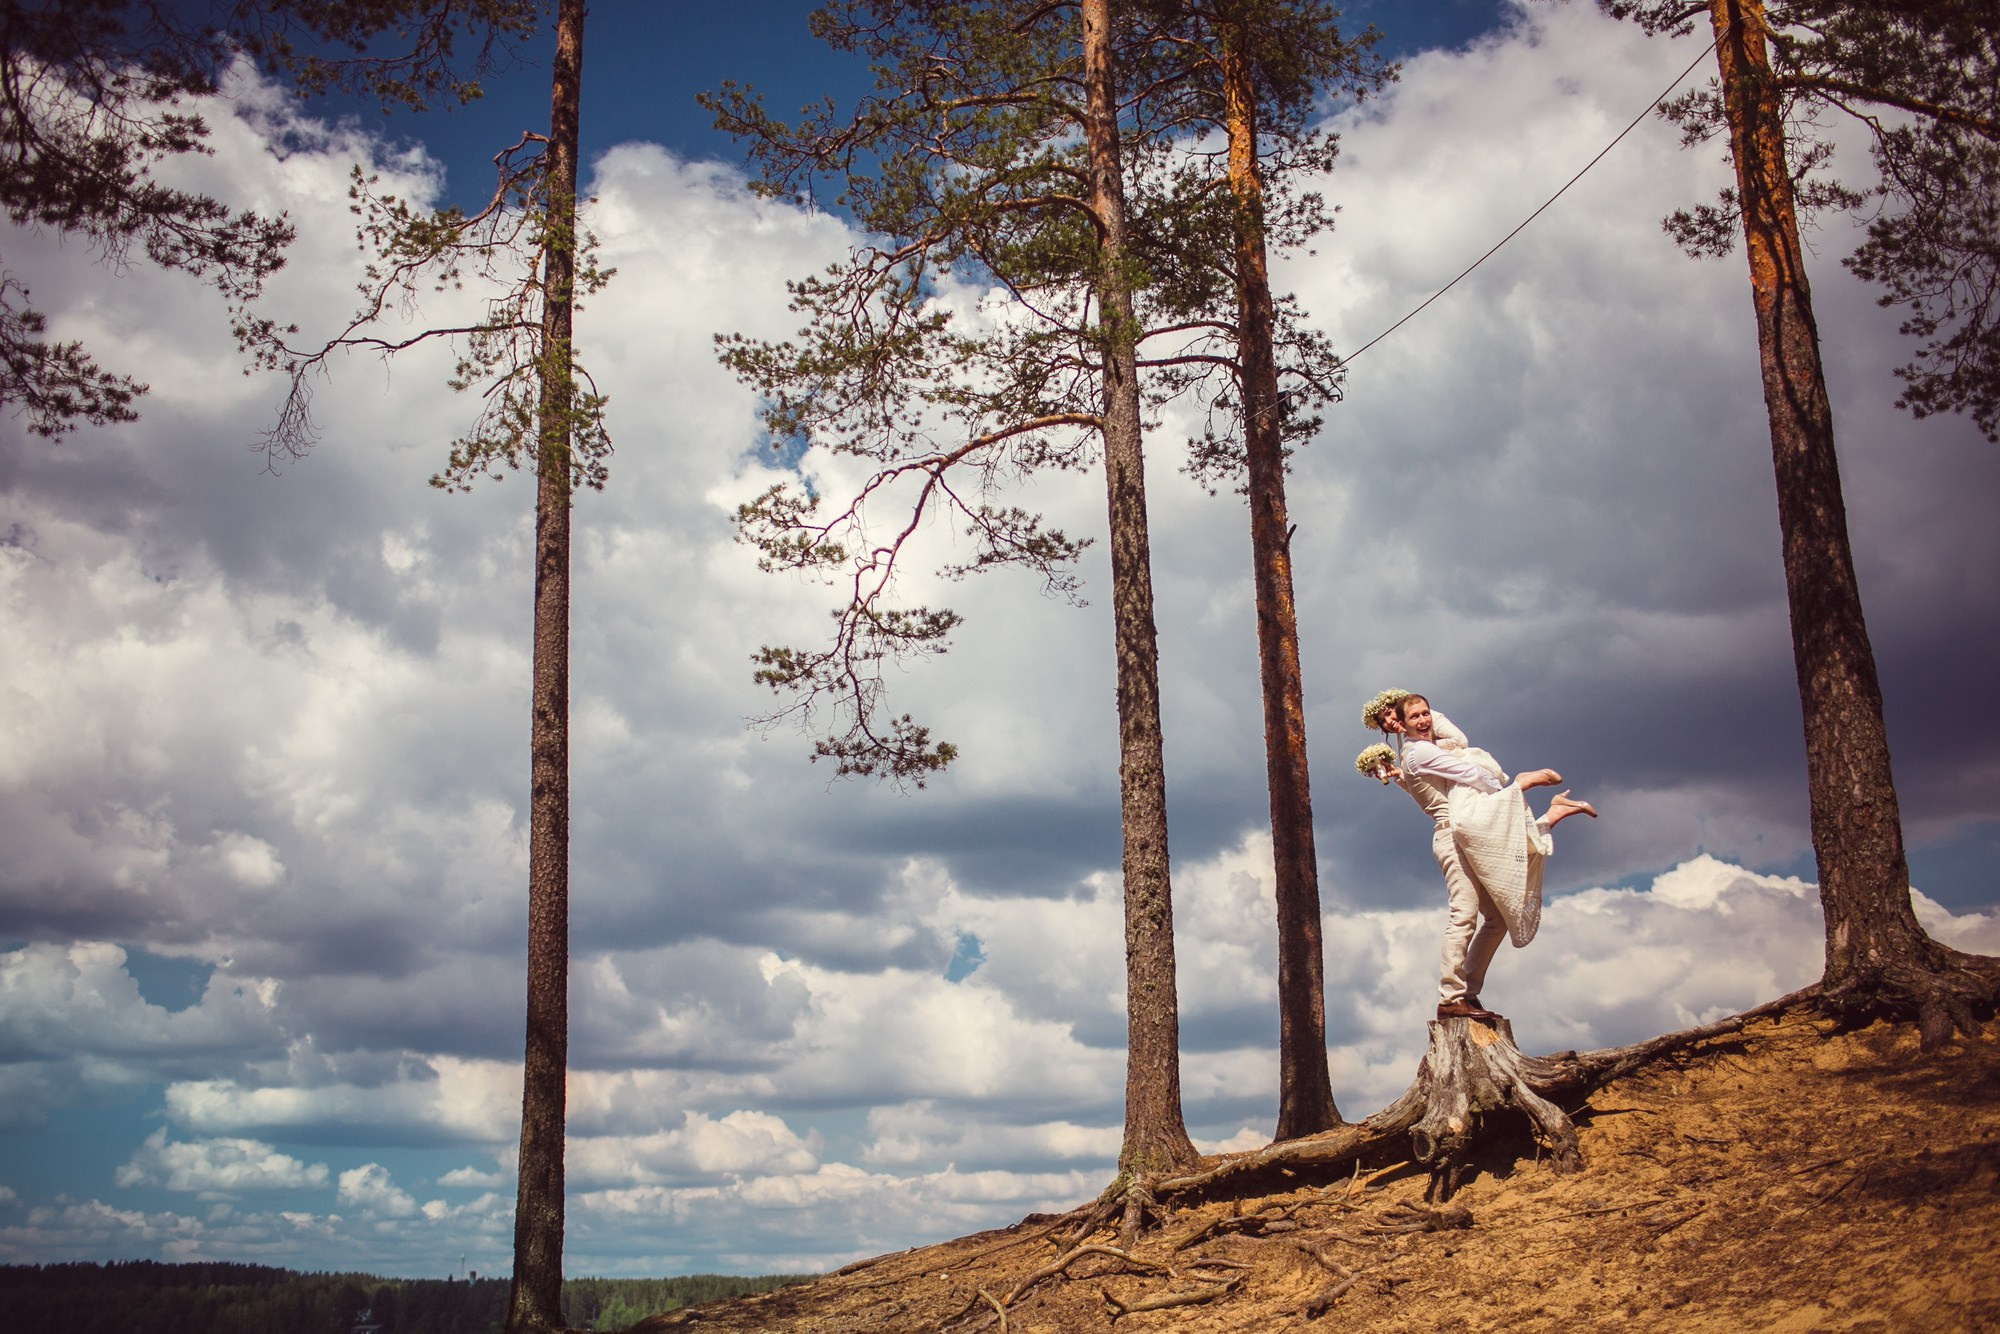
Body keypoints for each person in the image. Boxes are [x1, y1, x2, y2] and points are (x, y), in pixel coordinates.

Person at [1377, 693, 1594, 1021]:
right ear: (1403, 725)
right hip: (1452, 835)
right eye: (1415, 717)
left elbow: (1457, 740)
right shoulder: (1419, 751)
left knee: (1497, 918)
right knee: (1463, 915)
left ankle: (1469, 992)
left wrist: (1413, 711)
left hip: (1466, 831)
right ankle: (1450, 997)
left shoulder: (1425, 748)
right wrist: (1508, 790)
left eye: (1426, 714)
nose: (1423, 721)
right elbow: (1468, 771)